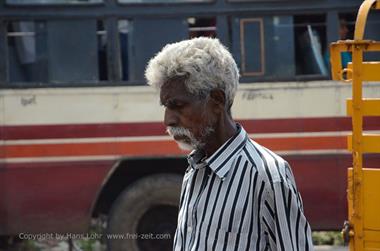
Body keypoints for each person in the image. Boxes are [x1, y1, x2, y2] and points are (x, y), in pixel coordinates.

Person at [145, 37, 313, 251]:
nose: (168, 120)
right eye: (166, 107)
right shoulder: (194, 170)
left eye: (178, 105)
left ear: (217, 101)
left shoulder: (268, 176)